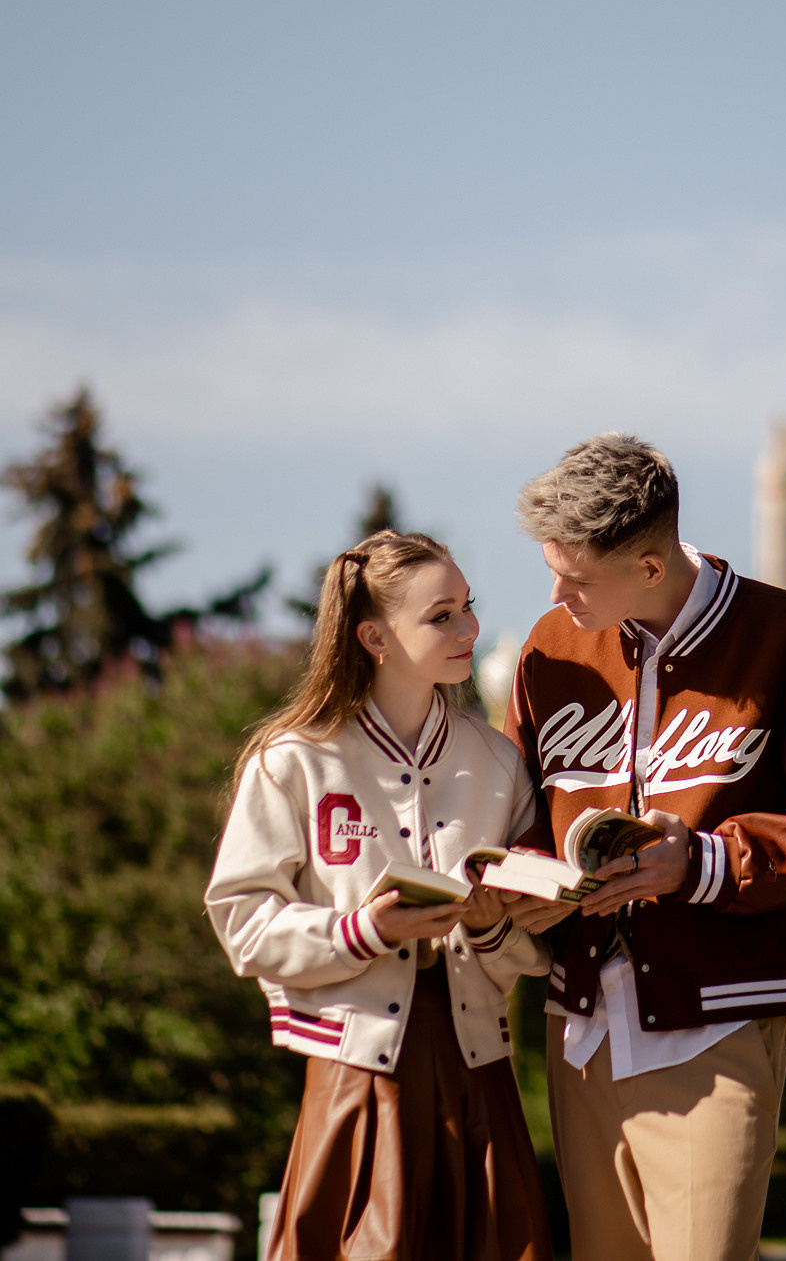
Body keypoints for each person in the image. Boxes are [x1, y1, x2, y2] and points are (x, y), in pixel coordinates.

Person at [501, 434, 786, 1261]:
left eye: (577, 579)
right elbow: (521, 810)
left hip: (716, 1022)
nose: (556, 595)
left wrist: (704, 862)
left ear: (650, 566)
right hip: (579, 1030)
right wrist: (520, 879)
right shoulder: (548, 648)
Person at [207, 531, 552, 1261]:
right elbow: (244, 924)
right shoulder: (292, 760)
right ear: (374, 637)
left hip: (479, 1069)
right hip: (354, 1073)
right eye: (442, 616)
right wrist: (365, 929)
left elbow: (539, 948)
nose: (470, 629)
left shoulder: (499, 762)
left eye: (469, 607)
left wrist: (491, 928)